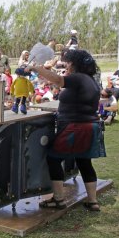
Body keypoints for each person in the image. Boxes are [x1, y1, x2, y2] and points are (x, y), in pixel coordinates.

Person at [25, 49, 104, 211]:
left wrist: (36, 68)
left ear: (75, 64)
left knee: (54, 158)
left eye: (68, 62)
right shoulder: (89, 79)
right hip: (89, 125)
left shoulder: (78, 78)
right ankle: (92, 201)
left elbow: (59, 81)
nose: (65, 64)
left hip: (75, 126)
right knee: (84, 161)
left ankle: (59, 199)